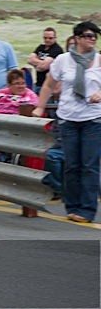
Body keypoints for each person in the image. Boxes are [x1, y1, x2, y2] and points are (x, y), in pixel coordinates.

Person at [33, 21, 101, 224]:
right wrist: (40, 107)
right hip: (68, 118)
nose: (92, 39)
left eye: (95, 36)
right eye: (88, 36)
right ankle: (72, 206)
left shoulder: (99, 60)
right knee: (71, 165)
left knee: (89, 165)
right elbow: (48, 85)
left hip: (93, 119)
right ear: (77, 38)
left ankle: (87, 210)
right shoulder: (63, 60)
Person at [0, 69, 40, 162]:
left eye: (23, 83)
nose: (21, 86)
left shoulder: (31, 97)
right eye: (17, 83)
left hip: (21, 133)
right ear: (9, 85)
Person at [27, 27, 63, 94]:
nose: (47, 40)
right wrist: (41, 64)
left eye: (50, 38)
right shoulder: (41, 47)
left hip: (49, 86)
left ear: (55, 38)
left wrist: (36, 63)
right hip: (38, 84)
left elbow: (43, 66)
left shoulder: (57, 50)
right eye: (45, 38)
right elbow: (29, 59)